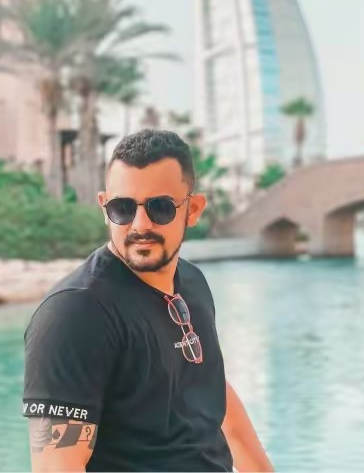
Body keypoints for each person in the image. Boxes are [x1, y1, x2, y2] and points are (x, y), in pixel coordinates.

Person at [22, 129, 274, 472]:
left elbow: (215, 394)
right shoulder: (75, 314)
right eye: (122, 208)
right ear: (104, 207)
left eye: (160, 208)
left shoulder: (193, 284)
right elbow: (57, 465)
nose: (140, 224)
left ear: (193, 209)